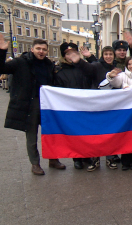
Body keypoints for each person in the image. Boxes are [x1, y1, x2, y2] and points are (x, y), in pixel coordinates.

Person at [0, 35, 66, 175]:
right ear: (32, 49)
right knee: (31, 135)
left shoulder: (49, 65)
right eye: (38, 49)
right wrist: (2, 51)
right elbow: (2, 68)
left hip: (47, 104)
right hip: (30, 103)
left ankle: (53, 159)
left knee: (51, 133)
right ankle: (35, 163)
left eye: (43, 49)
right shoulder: (20, 62)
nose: (41, 51)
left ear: (47, 51)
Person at [78, 46, 120, 171]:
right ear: (102, 55)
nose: (108, 56)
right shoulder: (96, 66)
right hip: (96, 105)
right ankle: (94, 159)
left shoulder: (117, 68)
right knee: (95, 134)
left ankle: (110, 158)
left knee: (110, 133)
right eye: (106, 54)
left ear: (114, 56)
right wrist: (82, 59)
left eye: (110, 54)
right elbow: (88, 68)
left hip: (112, 105)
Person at [54, 42, 94, 170]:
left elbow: (97, 70)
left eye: (74, 53)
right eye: (68, 54)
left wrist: (90, 58)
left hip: (86, 105)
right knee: (74, 134)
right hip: (70, 108)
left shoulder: (84, 67)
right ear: (64, 56)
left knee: (86, 133)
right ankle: (77, 158)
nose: (71, 56)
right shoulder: (59, 71)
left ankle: (87, 155)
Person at [106, 56, 132, 171]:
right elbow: (116, 82)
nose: (131, 66)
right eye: (129, 64)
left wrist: (129, 88)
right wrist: (110, 76)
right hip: (124, 111)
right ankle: (125, 161)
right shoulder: (123, 75)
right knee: (125, 136)